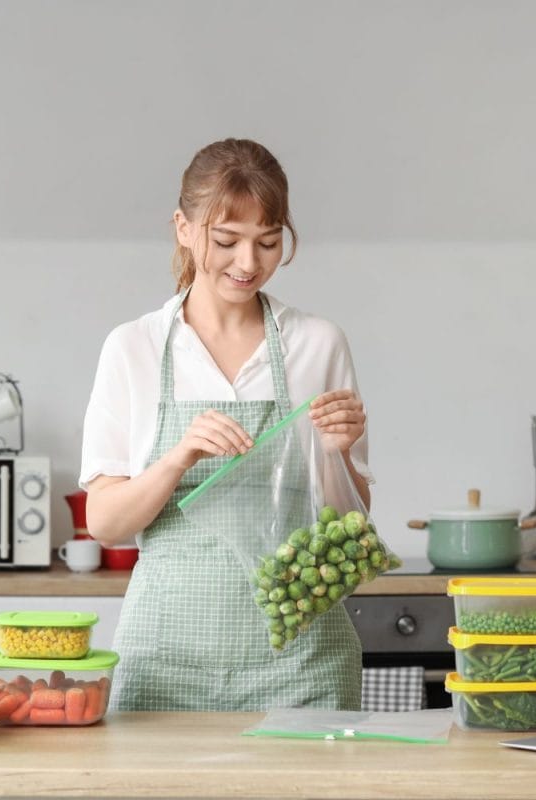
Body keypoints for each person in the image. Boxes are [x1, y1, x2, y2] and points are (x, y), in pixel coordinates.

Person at [78, 138, 372, 711]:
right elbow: (106, 524)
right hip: (165, 663)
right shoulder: (134, 348)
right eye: (226, 241)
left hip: (303, 663)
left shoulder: (317, 344)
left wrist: (339, 451)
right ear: (183, 229)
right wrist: (178, 457)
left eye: (267, 242)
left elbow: (351, 523)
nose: (247, 263)